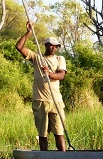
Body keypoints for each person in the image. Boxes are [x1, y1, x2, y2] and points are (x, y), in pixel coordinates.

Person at [16, 21, 67, 151]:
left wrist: (49, 73)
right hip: (40, 100)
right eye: (51, 45)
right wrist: (29, 32)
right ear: (46, 45)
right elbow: (19, 47)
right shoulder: (37, 57)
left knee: (59, 132)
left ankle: (63, 157)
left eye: (56, 46)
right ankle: (45, 158)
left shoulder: (60, 59)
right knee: (43, 134)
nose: (53, 48)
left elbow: (61, 75)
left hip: (56, 101)